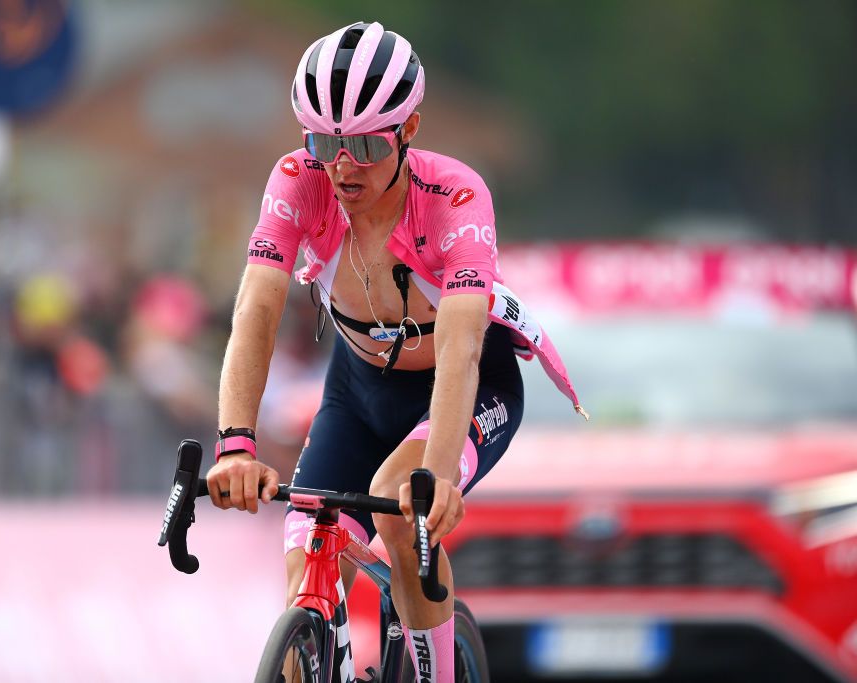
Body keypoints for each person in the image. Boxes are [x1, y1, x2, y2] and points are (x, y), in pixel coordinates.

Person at [205, 21, 586, 681]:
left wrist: (438, 472)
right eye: (325, 143)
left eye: (364, 145)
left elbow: (464, 343)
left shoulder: (456, 196)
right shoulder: (299, 179)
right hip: (358, 389)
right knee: (307, 540)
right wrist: (235, 442)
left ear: (408, 132)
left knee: (402, 498)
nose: (343, 165)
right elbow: (257, 309)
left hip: (463, 385)